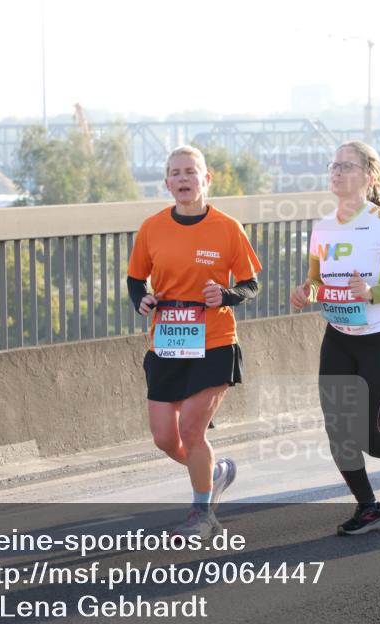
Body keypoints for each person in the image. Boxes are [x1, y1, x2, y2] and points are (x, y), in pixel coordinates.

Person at [290, 140, 380, 536]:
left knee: (364, 432)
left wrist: (373, 293)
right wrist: (306, 293)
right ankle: (369, 507)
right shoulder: (322, 227)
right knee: (338, 428)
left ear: (369, 177)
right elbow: (317, 281)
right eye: (334, 166)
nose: (337, 172)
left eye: (347, 166)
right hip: (340, 335)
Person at [127, 145, 262, 538]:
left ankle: (202, 515)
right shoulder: (152, 228)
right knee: (164, 438)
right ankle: (213, 474)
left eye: (190, 172)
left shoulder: (227, 227)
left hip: (214, 342)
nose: (183, 179)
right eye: (176, 173)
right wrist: (142, 300)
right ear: (167, 183)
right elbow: (136, 279)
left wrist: (227, 295)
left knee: (191, 429)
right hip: (167, 342)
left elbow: (251, 284)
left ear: (206, 179)